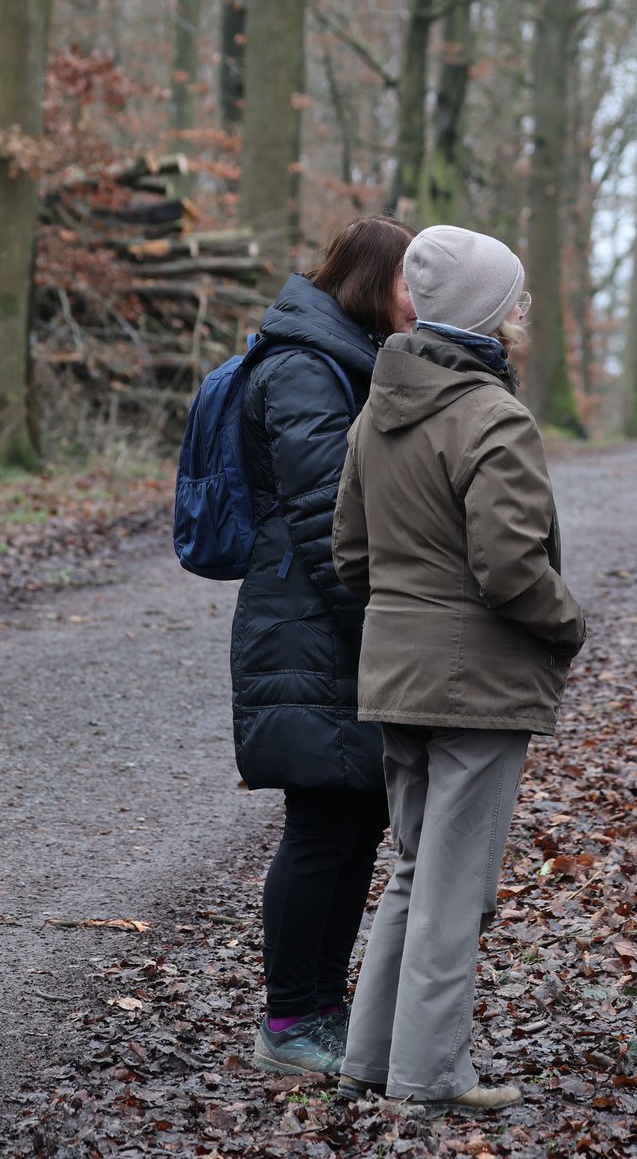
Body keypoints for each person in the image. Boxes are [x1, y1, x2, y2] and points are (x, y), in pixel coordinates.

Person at [331, 225, 585, 1113]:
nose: (521, 311)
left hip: (398, 672)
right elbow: (512, 566)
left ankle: (371, 1058)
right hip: (476, 681)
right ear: (485, 314)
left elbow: (352, 556)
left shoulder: (375, 411)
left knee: (413, 870)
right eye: (512, 298)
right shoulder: (491, 415)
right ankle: (427, 1075)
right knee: (450, 885)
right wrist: (568, 624)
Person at [229, 216, 416, 1075]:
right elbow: (323, 521)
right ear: (372, 282)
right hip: (312, 628)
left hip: (331, 625)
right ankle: (288, 1020)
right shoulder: (306, 366)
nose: (420, 299)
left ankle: (322, 1006)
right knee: (320, 822)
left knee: (354, 819)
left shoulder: (343, 354)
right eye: (409, 282)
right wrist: (373, 629)